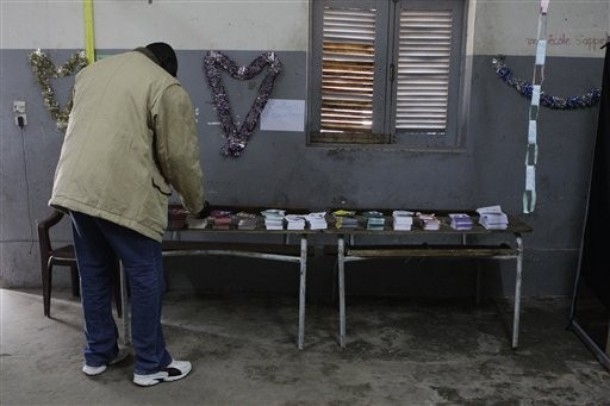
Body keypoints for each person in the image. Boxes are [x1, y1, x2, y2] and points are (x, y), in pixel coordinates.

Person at [49, 42, 209, 387]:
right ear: (168, 65)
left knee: (93, 274)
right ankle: (150, 365)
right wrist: (196, 204)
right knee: (145, 276)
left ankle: (98, 354)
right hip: (123, 193)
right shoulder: (164, 84)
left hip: (75, 188)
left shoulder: (91, 73)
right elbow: (178, 156)